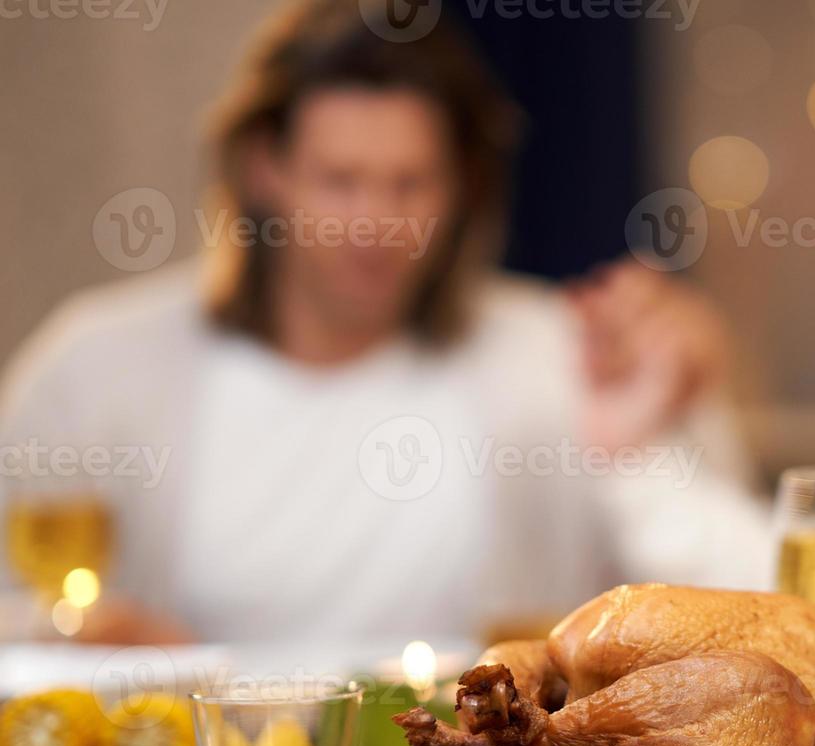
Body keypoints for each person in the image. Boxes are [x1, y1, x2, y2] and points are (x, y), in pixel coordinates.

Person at [0, 0, 769, 645]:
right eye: (341, 181)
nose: (373, 223)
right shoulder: (97, 368)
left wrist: (681, 404)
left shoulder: (556, 352)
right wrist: (69, 636)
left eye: (409, 184)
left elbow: (721, 604)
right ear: (267, 169)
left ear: (462, 186)